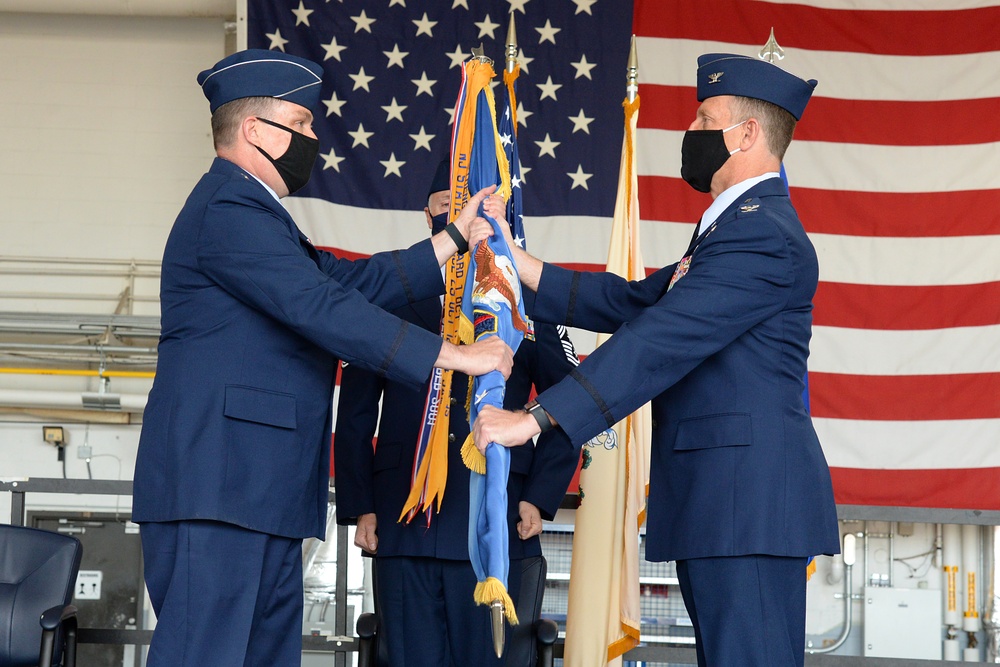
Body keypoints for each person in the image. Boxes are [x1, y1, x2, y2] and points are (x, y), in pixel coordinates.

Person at [132, 49, 513, 667]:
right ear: (255, 130)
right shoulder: (228, 208)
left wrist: (451, 238)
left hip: (260, 491)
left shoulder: (261, 216)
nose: (313, 137)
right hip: (219, 487)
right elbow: (322, 308)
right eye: (302, 124)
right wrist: (453, 356)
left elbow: (343, 286)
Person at [473, 53, 841, 667]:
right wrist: (520, 264)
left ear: (747, 134)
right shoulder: (732, 231)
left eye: (705, 118)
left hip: (746, 507)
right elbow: (635, 301)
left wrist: (536, 419)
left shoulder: (764, 233)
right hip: (724, 506)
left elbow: (659, 338)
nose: (691, 132)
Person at [333, 159, 581, 666]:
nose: (463, 220)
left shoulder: (524, 297)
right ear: (428, 214)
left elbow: (570, 400)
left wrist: (541, 494)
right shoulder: (390, 293)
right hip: (405, 519)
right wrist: (361, 504)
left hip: (501, 518)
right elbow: (356, 413)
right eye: (449, 208)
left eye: (477, 208)